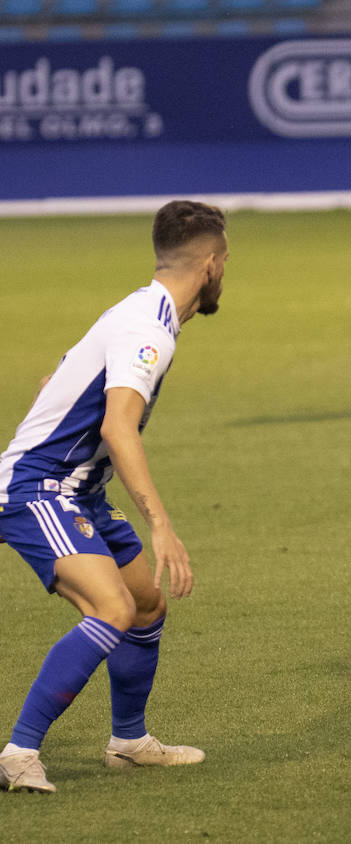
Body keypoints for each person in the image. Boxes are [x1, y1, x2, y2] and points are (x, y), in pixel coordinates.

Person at [0, 200, 225, 793]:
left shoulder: (137, 309)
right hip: (41, 487)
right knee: (113, 610)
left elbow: (62, 375)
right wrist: (160, 524)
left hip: (83, 490)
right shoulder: (149, 328)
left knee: (146, 605)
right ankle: (18, 753)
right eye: (225, 261)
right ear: (209, 263)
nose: (224, 272)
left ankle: (128, 743)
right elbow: (117, 427)